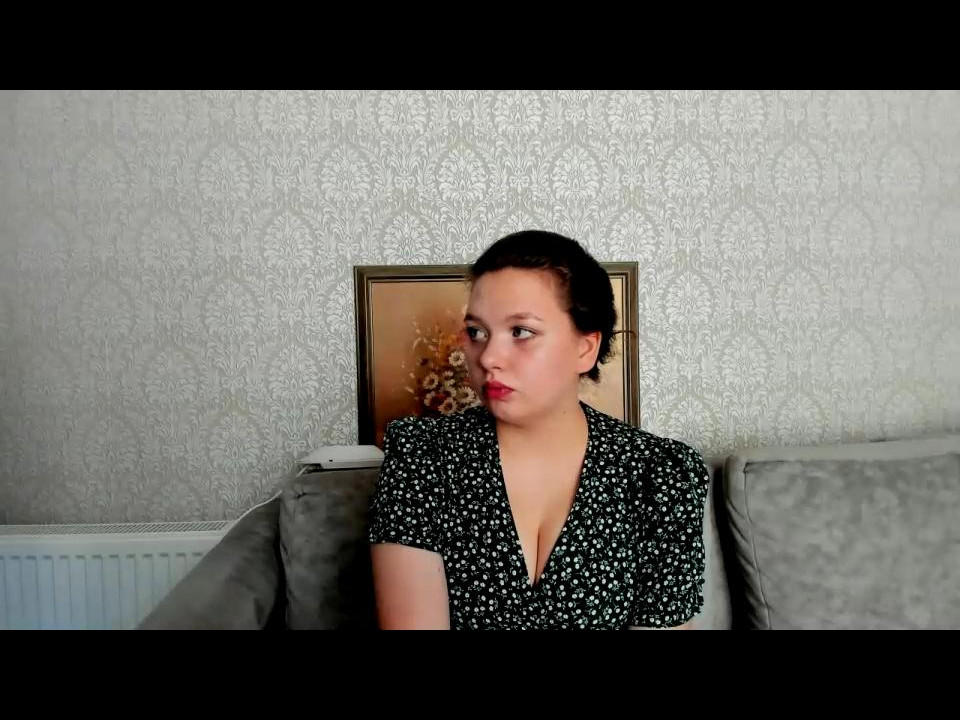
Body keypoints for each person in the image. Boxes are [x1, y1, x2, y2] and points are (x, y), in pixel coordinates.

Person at [367, 230, 710, 630]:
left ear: (585, 348)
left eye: (521, 332)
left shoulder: (659, 472)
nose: (488, 357)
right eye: (477, 332)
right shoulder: (423, 457)